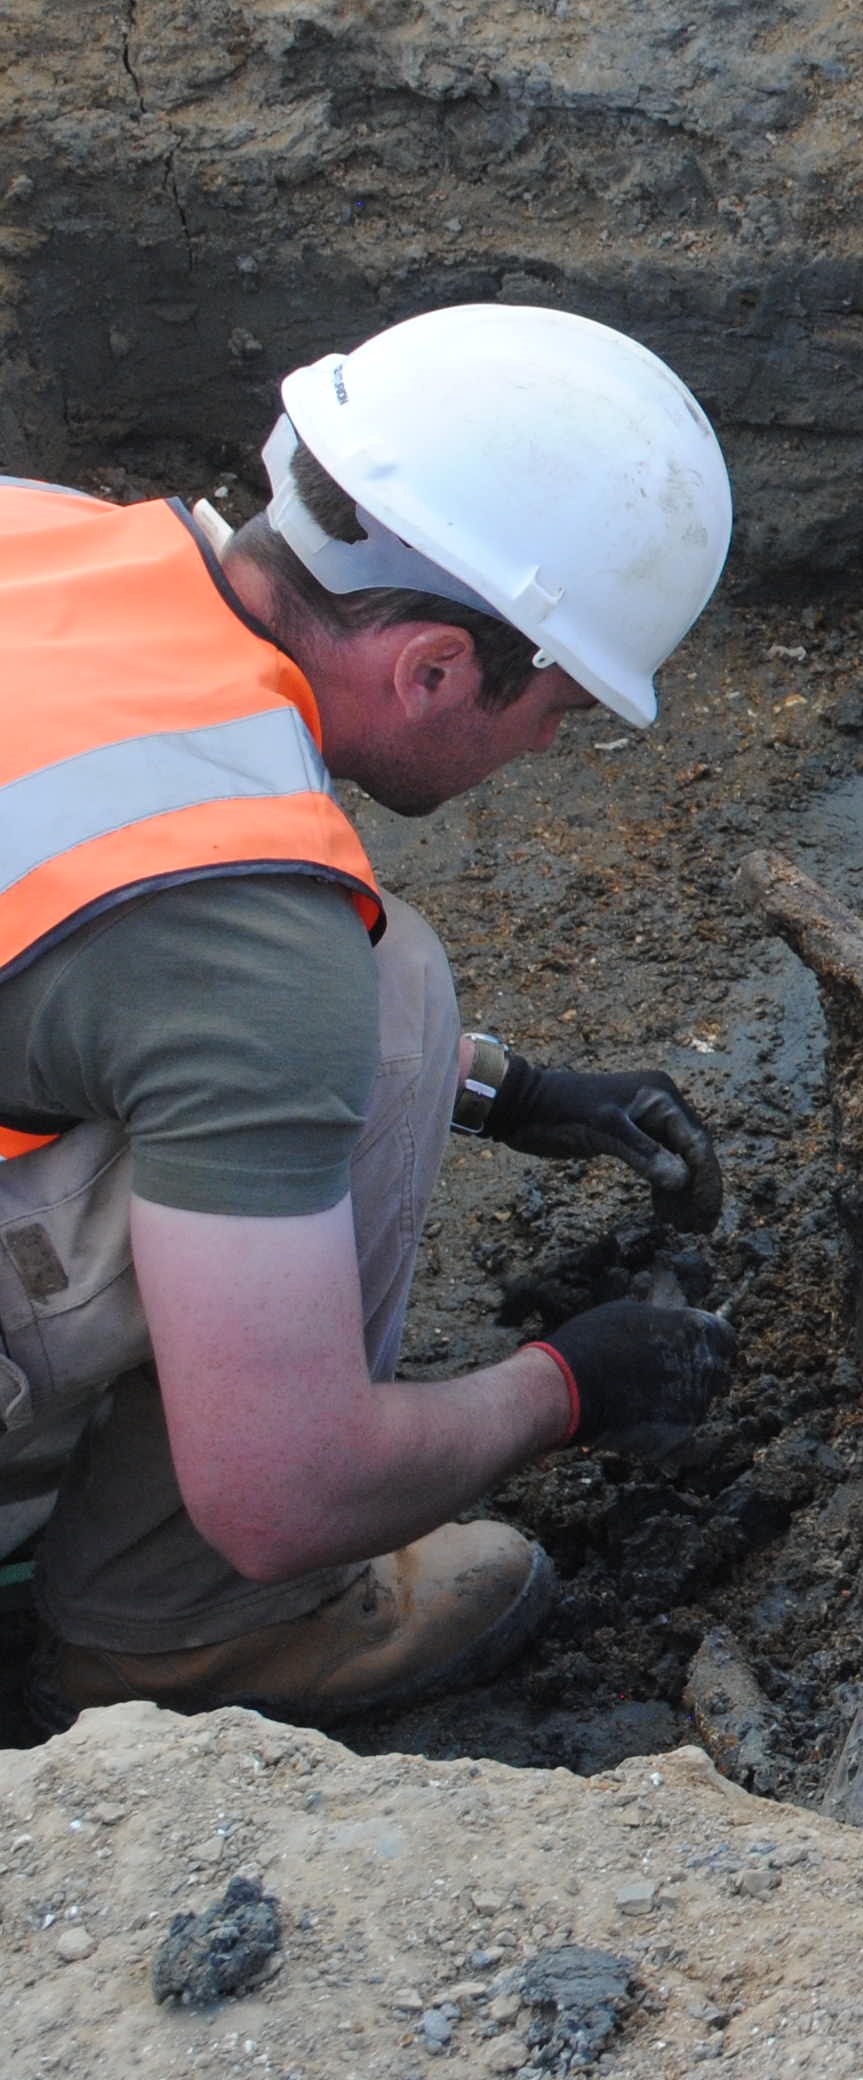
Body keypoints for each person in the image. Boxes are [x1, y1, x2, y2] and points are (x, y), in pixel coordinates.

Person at [0, 304, 744, 1725]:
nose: (547, 747)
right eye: (560, 712)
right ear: (436, 668)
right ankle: (184, 1639)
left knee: (368, 999)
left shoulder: (44, 538)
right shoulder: (248, 940)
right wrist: (567, 1389)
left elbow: (89, 975)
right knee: (379, 987)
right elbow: (283, 1493)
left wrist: (509, 1091)